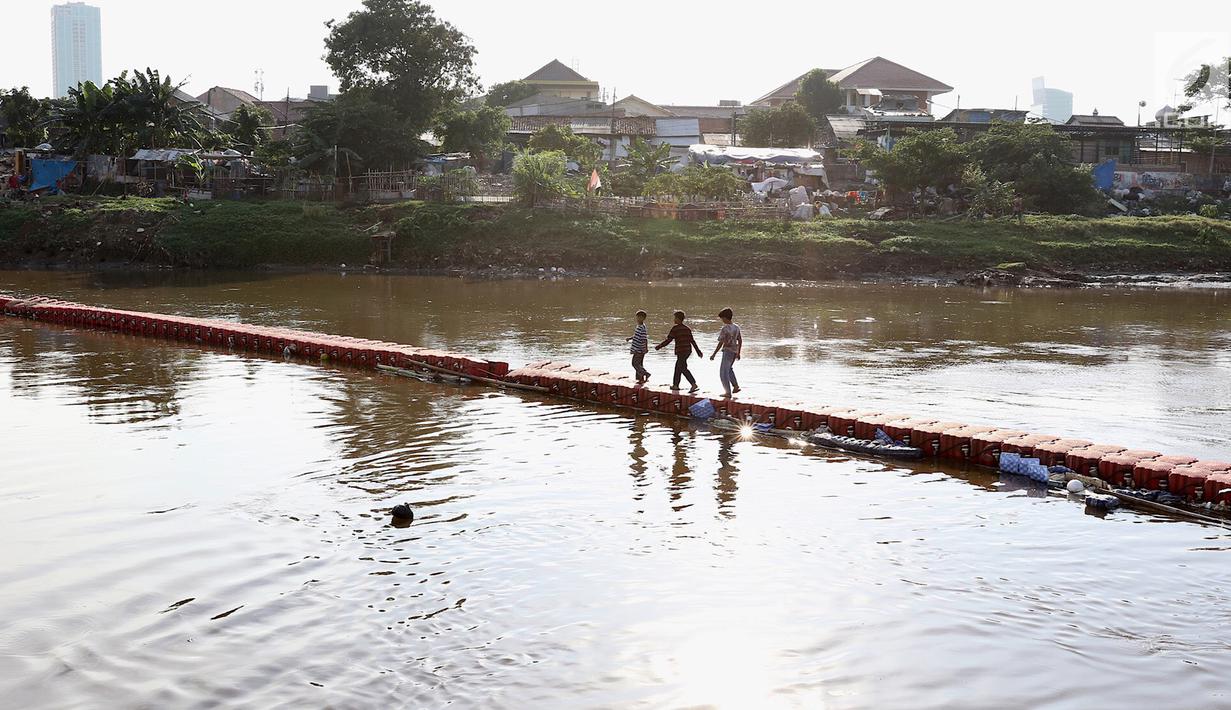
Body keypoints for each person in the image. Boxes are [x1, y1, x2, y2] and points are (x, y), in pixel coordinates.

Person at [655, 310, 702, 393]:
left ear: (678, 319)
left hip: (681, 351)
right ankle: (676, 385)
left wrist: (659, 346)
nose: (674, 320)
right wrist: (698, 351)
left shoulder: (675, 329)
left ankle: (693, 384)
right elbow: (692, 341)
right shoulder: (687, 329)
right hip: (687, 351)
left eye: (675, 318)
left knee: (682, 368)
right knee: (679, 367)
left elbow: (668, 340)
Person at [709, 307, 743, 398]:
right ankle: (735, 386)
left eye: (722, 318)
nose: (722, 320)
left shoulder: (725, 329)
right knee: (729, 369)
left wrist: (714, 354)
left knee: (723, 372)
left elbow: (721, 342)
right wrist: (739, 352)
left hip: (727, 351)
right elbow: (740, 340)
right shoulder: (736, 327)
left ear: (725, 318)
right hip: (734, 351)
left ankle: (727, 392)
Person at [626, 309, 650, 384]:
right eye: (637, 317)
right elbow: (637, 335)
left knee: (635, 363)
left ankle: (645, 373)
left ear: (643, 318)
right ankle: (640, 379)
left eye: (638, 317)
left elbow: (644, 339)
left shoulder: (642, 327)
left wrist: (646, 348)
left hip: (639, 350)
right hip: (638, 349)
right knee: (639, 364)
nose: (637, 319)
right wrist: (630, 338)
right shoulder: (639, 326)